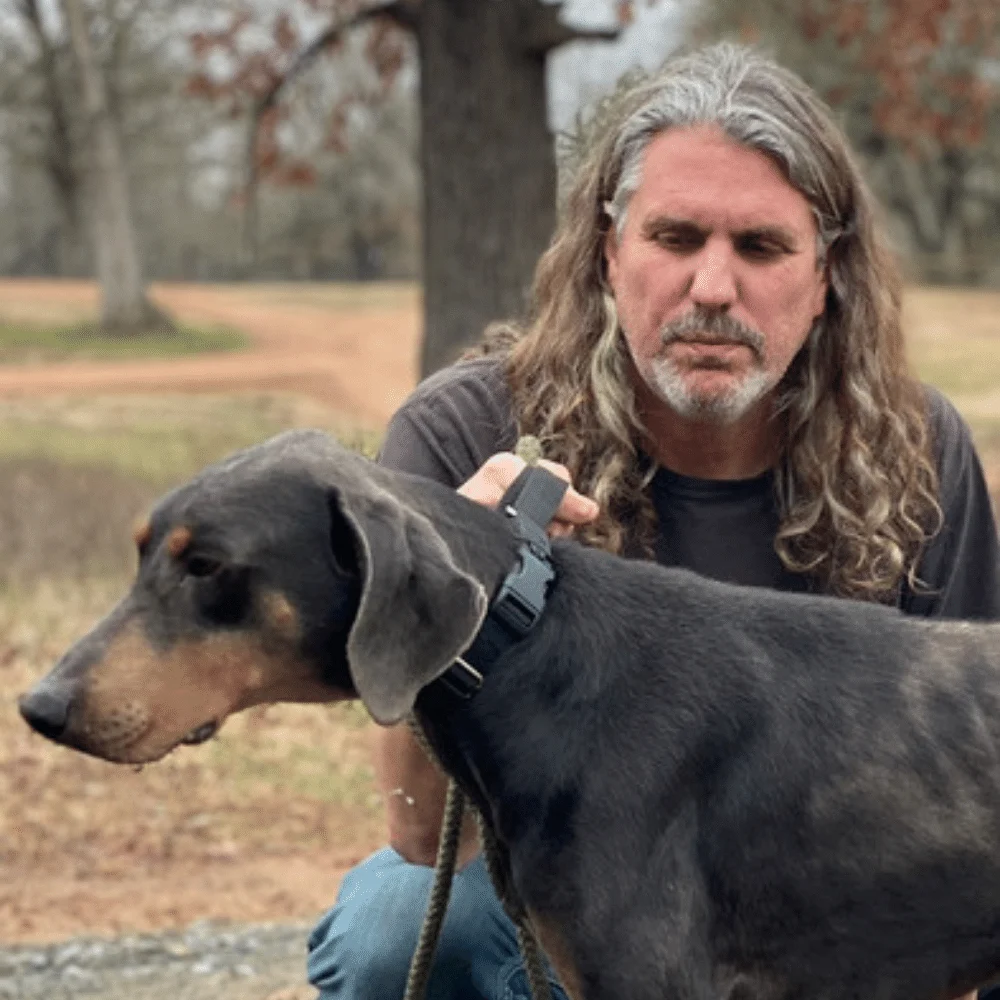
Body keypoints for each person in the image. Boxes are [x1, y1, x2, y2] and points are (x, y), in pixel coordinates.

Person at [307, 42, 1000, 1000]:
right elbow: (424, 839)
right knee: (390, 933)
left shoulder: (914, 445)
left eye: (761, 247)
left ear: (826, 273)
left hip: (826, 899)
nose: (712, 288)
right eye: (675, 238)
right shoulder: (463, 430)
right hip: (554, 902)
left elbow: (972, 800)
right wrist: (452, 595)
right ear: (608, 250)